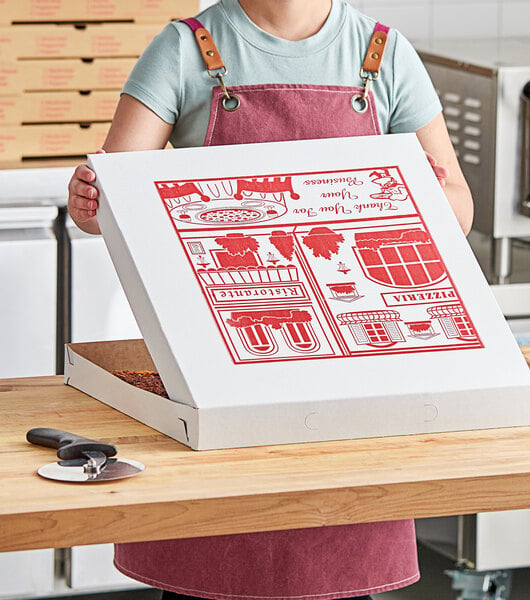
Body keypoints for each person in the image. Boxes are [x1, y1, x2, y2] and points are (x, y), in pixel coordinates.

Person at [67, 1, 473, 599]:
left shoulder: (384, 54)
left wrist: (429, 201)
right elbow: (117, 193)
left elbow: (458, 206)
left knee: (335, 569)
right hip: (212, 365)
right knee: (211, 562)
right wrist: (89, 203)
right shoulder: (185, 48)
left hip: (352, 371)